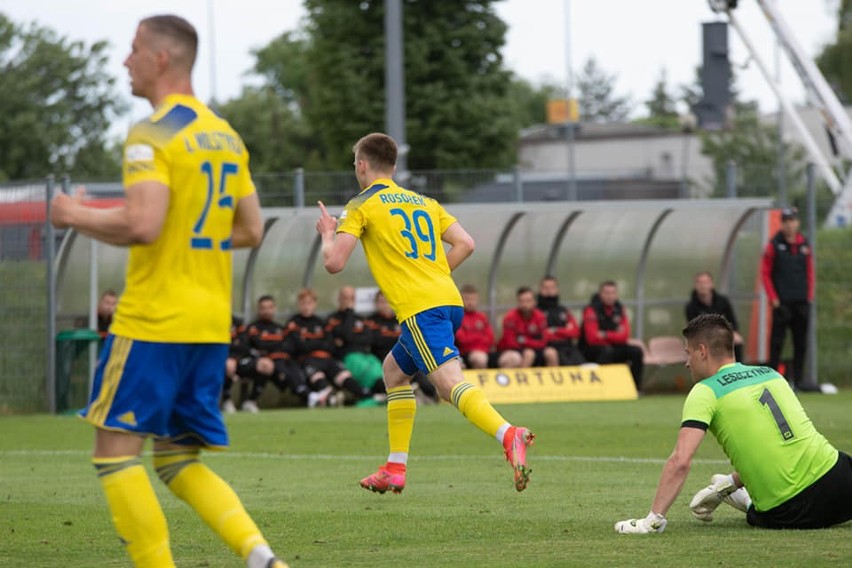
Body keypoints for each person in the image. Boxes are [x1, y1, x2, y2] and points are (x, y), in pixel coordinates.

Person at [49, 15, 287, 568]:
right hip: (208, 323)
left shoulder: (152, 132)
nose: (124, 61)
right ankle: (262, 558)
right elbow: (251, 229)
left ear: (160, 58)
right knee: (178, 461)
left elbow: (143, 225)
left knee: (114, 455)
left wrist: (72, 213)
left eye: (133, 50)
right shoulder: (226, 136)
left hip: (154, 320)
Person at [315, 132, 534, 493]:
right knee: (394, 371)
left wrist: (327, 233)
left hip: (421, 308)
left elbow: (334, 263)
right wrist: (433, 275)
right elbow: (466, 243)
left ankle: (508, 434)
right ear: (395, 166)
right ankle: (394, 469)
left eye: (355, 163)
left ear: (363, 165)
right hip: (448, 300)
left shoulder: (360, 205)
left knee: (448, 385)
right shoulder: (425, 201)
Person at [615, 313, 852, 534]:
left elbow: (681, 460)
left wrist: (653, 520)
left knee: (762, 513)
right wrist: (730, 482)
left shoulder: (705, 390)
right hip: (840, 481)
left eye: (688, 353)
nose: (687, 363)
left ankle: (743, 497)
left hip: (793, 509)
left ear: (702, 351)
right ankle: (729, 487)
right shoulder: (771, 374)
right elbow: (780, 445)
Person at [760, 206, 816, 391]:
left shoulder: (804, 245)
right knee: (776, 343)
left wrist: (809, 296)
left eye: (792, 221)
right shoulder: (774, 244)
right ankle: (772, 381)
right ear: (782, 224)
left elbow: (809, 271)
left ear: (797, 223)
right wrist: (773, 298)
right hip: (781, 303)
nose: (789, 225)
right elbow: (765, 273)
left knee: (800, 343)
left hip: (801, 302)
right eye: (786, 221)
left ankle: (798, 382)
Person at [287, 287, 368, 407]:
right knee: (317, 376)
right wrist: (319, 343)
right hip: (308, 359)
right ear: (299, 304)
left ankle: (367, 394)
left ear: (315, 304)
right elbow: (299, 346)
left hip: (327, 358)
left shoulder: (321, 322)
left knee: (344, 376)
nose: (306, 306)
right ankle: (330, 397)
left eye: (309, 303)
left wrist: (310, 341)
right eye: (303, 303)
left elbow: (330, 345)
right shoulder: (294, 322)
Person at [240, 295, 309, 412]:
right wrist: (274, 347)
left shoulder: (280, 328)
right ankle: (250, 400)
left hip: (281, 363)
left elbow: (288, 347)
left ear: (274, 308)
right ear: (258, 309)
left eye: (270, 307)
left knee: (295, 366)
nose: (267, 311)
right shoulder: (253, 327)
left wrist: (270, 346)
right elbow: (258, 345)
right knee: (267, 365)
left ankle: (308, 395)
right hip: (257, 363)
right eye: (263, 308)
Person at [326, 285, 386, 405]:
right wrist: (349, 313)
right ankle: (378, 396)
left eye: (352, 298)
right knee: (368, 371)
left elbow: (369, 339)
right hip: (348, 357)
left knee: (380, 369)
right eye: (346, 298)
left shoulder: (361, 319)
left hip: (366, 355)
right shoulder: (333, 319)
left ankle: (384, 395)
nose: (349, 301)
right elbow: (346, 335)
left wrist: (350, 339)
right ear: (340, 299)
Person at [579, 280, 644, 391]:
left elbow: (624, 336)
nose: (610, 296)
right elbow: (592, 338)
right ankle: (604, 389)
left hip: (613, 346)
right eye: (607, 293)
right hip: (591, 349)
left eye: (613, 293)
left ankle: (634, 389)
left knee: (636, 351)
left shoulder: (620, 309)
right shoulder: (591, 309)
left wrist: (604, 334)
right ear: (600, 294)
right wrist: (615, 334)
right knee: (606, 351)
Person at [685, 271, 743, 362]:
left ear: (711, 284)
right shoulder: (691, 307)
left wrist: (734, 333)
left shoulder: (723, 301)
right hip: (704, 339)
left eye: (706, 282)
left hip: (724, 335)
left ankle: (737, 370)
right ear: (695, 285)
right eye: (700, 283)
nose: (703, 286)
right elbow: (693, 330)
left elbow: (732, 321)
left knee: (737, 342)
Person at [497, 286, 559, 368]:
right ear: (518, 302)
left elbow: (544, 340)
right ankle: (522, 380)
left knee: (552, 353)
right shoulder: (510, 317)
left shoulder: (540, 316)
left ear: (534, 302)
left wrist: (524, 341)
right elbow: (510, 342)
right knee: (528, 354)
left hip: (535, 348)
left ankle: (553, 380)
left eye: (528, 301)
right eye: (522, 301)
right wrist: (530, 343)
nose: (525, 304)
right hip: (514, 350)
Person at [536, 275, 585, 366]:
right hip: (548, 348)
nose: (549, 291)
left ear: (557, 290)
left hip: (568, 347)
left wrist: (555, 330)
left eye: (552, 288)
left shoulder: (563, 310)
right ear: (540, 290)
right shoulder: (536, 312)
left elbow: (575, 332)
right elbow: (541, 334)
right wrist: (565, 331)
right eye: (546, 288)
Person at [455, 284, 497, 369]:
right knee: (479, 358)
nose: (470, 302)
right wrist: (479, 338)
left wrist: (472, 337)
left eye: (473, 299)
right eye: (467, 299)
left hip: (484, 352)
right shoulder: (457, 317)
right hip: (464, 354)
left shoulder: (482, 317)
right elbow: (462, 340)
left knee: (509, 359)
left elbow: (490, 338)